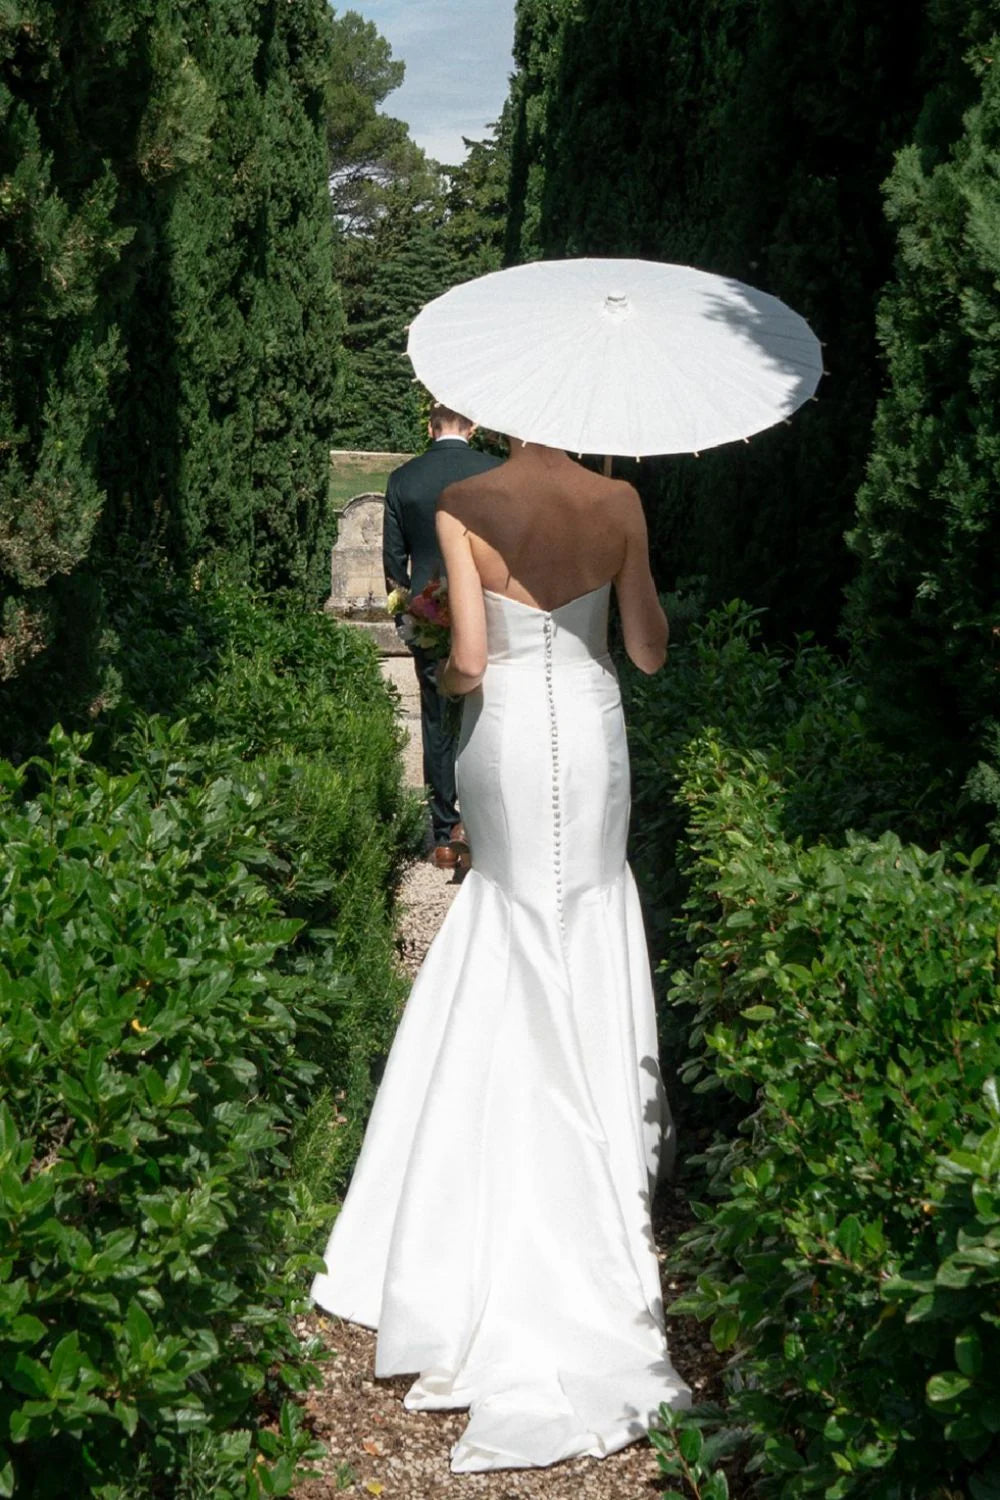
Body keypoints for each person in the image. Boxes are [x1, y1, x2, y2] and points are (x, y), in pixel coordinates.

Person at [312, 439, 691, 1472]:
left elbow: (473, 665)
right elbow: (647, 651)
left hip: (512, 737)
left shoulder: (466, 501)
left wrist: (438, 640)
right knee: (591, 915)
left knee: (508, 920)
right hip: (597, 735)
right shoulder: (618, 503)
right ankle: (601, 1164)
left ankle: (479, 1188)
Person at [382, 403, 501, 867]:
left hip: (428, 612)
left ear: (430, 427)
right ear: (473, 425)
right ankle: (481, 824)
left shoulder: (404, 479)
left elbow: (394, 562)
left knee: (435, 721)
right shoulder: (493, 473)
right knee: (487, 713)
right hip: (489, 612)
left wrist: (407, 616)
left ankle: (443, 830)